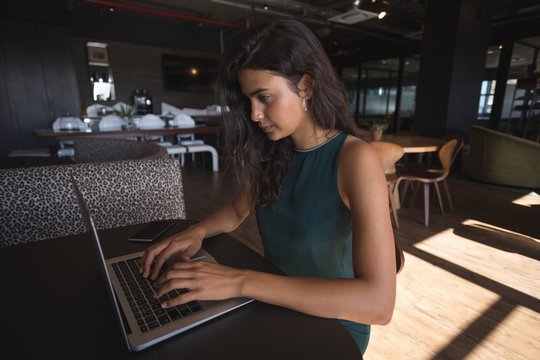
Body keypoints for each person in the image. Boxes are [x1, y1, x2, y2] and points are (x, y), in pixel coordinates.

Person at [141, 19, 396, 355]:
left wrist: (238, 280)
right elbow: (237, 210)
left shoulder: (355, 159)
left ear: (305, 87)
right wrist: (197, 231)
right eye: (249, 101)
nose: (254, 114)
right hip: (272, 303)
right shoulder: (274, 151)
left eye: (264, 97)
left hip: (331, 325)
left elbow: (378, 304)